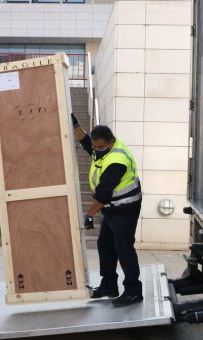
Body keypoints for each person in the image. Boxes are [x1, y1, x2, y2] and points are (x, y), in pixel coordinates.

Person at [71, 114, 143, 307]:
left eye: (100, 147)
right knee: (105, 244)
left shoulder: (116, 160)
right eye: (95, 146)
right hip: (113, 208)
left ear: (110, 143)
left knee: (123, 247)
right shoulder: (101, 148)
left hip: (125, 207)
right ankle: (109, 285)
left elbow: (103, 194)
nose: (96, 150)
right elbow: (85, 140)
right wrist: (74, 123)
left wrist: (89, 214)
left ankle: (134, 290)